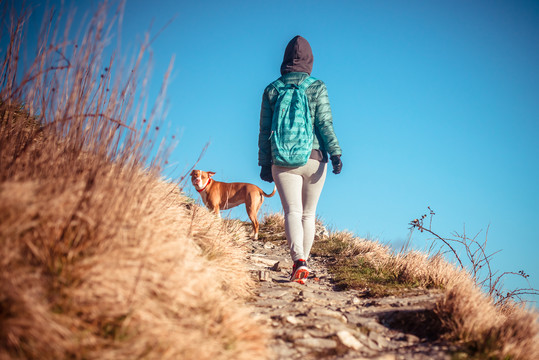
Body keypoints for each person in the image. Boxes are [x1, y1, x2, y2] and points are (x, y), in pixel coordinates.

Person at [258, 35, 342, 284]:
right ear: (309, 60)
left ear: (284, 60)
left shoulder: (272, 89)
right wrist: (335, 152)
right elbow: (325, 123)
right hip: (315, 158)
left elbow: (264, 130)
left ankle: (299, 263)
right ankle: (303, 264)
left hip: (282, 160)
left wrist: (264, 162)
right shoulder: (317, 86)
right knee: (308, 214)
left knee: (291, 212)